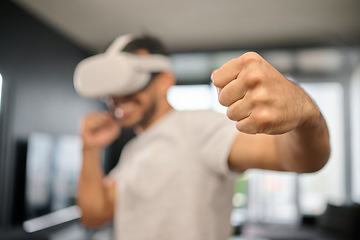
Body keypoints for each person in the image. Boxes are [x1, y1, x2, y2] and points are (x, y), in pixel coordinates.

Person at [74, 34, 330, 240]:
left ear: (164, 81)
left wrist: (306, 115)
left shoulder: (199, 127)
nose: (119, 96)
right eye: (114, 89)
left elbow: (301, 160)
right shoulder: (133, 150)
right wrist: (90, 148)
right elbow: (95, 214)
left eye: (131, 83)